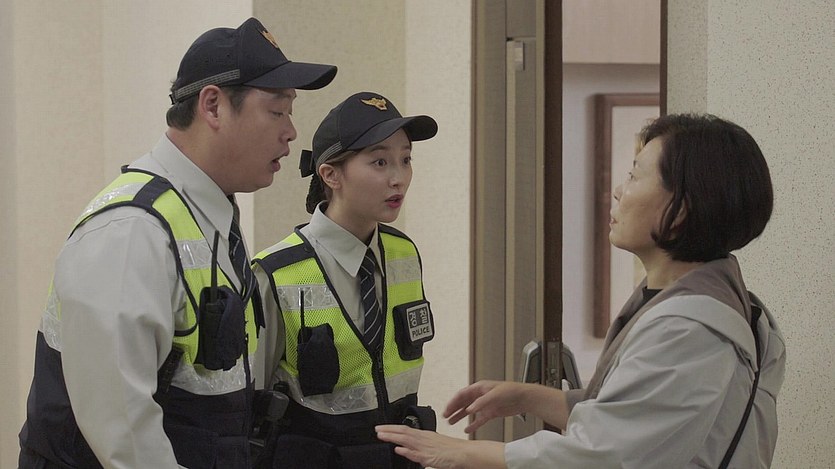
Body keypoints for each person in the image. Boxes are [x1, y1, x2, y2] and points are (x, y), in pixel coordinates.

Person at [377, 113, 787, 468]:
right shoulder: (710, 301)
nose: (619, 190)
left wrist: (460, 452)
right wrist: (528, 397)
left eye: (634, 176)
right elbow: (632, 413)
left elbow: (603, 455)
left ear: (680, 210)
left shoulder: (690, 329)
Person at [17, 17, 336, 468]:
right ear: (213, 106)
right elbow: (126, 438)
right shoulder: (132, 230)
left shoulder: (208, 215)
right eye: (277, 111)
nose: (291, 132)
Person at [251, 91, 439, 468]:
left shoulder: (403, 253)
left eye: (405, 160)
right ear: (331, 174)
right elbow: (249, 405)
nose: (398, 179)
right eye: (380, 162)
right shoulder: (276, 272)